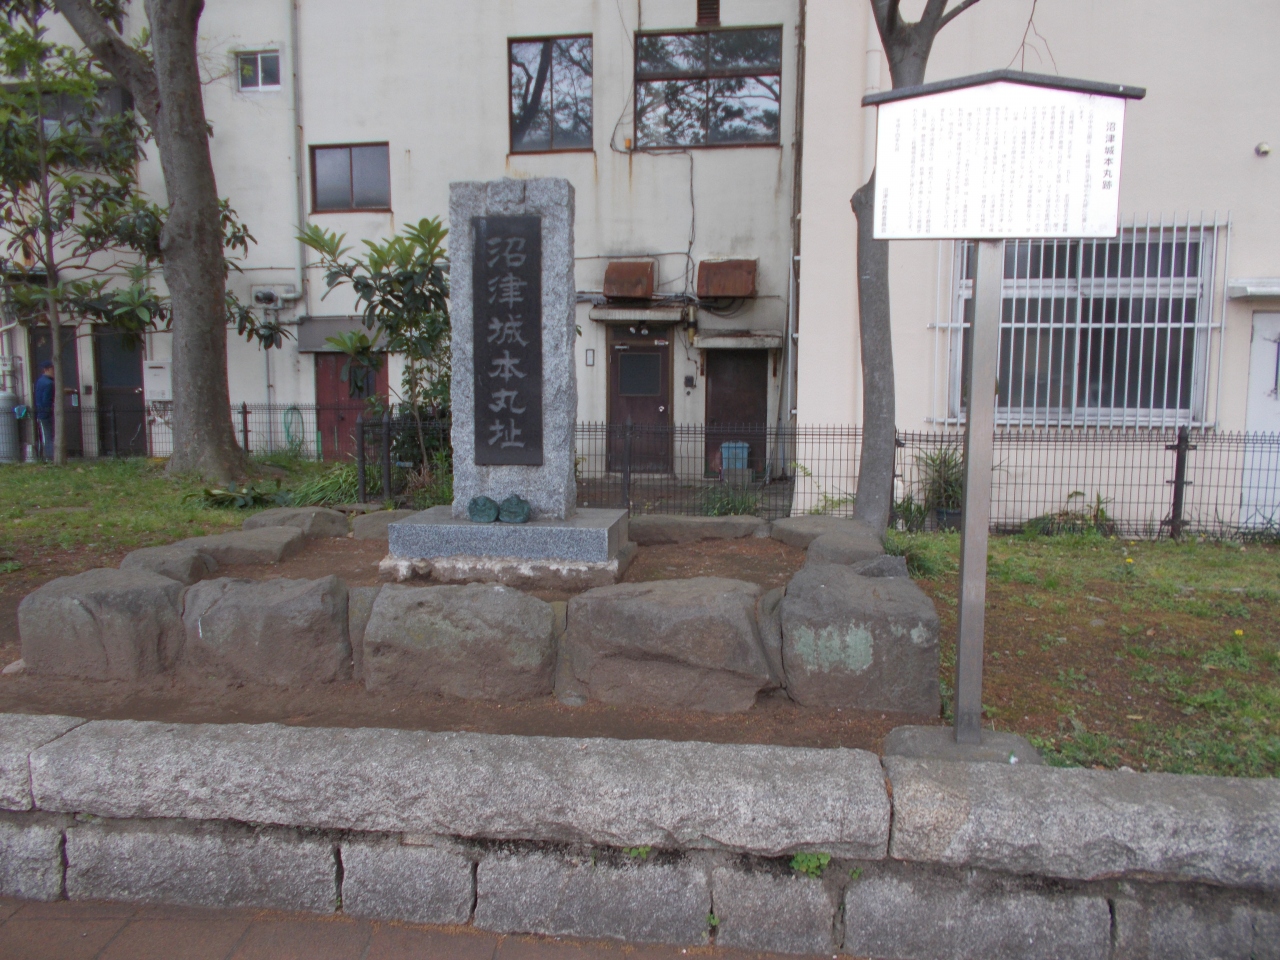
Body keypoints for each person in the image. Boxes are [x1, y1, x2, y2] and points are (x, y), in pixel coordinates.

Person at [33, 360, 54, 461]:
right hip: (46, 414)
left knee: (46, 435)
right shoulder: (49, 383)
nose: (54, 372)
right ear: (47, 370)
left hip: (41, 412)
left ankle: (48, 456)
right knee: (48, 436)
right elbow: (46, 400)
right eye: (52, 369)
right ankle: (49, 457)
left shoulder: (40, 381)